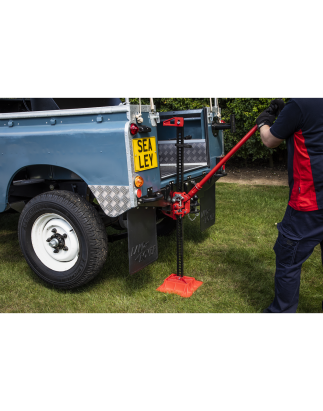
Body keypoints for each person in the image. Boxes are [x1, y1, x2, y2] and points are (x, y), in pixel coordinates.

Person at [256, 97, 323, 314]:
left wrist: (263, 121)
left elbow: (270, 140)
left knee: (289, 260)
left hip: (309, 203)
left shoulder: (301, 104)